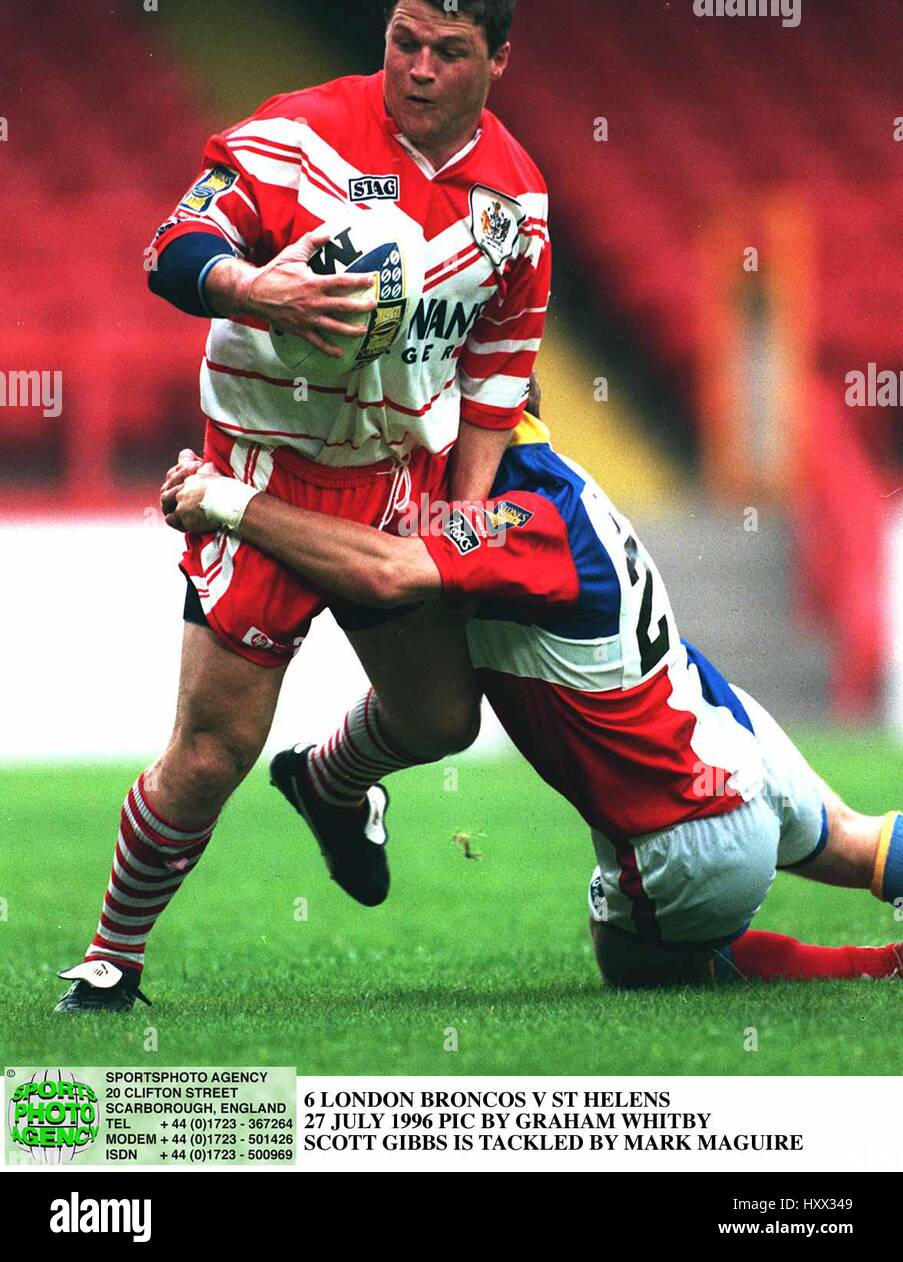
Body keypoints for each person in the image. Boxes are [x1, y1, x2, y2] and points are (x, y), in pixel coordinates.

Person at [54, 0, 550, 1013]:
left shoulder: (517, 202)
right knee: (209, 754)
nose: (418, 67)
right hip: (262, 480)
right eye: (404, 41)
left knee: (441, 723)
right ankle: (110, 959)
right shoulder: (298, 135)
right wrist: (256, 289)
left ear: (498, 60)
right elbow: (172, 245)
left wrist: (463, 501)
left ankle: (329, 784)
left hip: (397, 482)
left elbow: (502, 362)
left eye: (449, 52)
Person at [156, 380, 903, 989]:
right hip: (731, 736)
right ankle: (327, 780)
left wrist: (231, 502)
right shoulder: (557, 481)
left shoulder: (516, 512)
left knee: (634, 962)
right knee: (855, 842)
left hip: (686, 826)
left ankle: (876, 968)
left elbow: (384, 572)